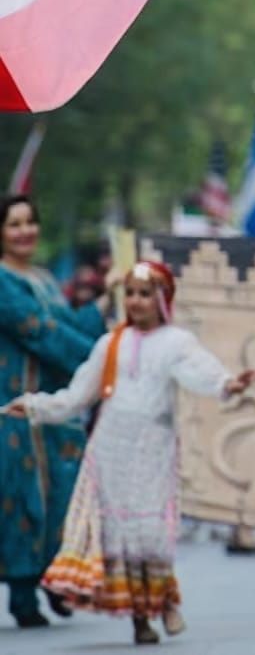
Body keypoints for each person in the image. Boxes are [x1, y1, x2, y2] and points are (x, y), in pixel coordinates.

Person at [5, 260, 255, 646]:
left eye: (144, 294)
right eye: (131, 294)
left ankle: (164, 599)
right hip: (111, 452)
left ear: (162, 299)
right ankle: (141, 618)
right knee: (121, 536)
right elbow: (77, 396)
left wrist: (227, 385)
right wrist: (37, 406)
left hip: (153, 451)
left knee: (151, 533)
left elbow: (200, 372)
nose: (136, 303)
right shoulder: (111, 344)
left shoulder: (176, 343)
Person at [0, 194, 115, 628]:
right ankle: (23, 593)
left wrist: (107, 300)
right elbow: (41, 333)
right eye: (14, 224)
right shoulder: (2, 282)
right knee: (20, 497)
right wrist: (104, 360)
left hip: (55, 410)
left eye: (31, 222)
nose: (25, 231)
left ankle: (57, 578)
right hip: (14, 409)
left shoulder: (46, 279)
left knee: (65, 494)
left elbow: (69, 326)